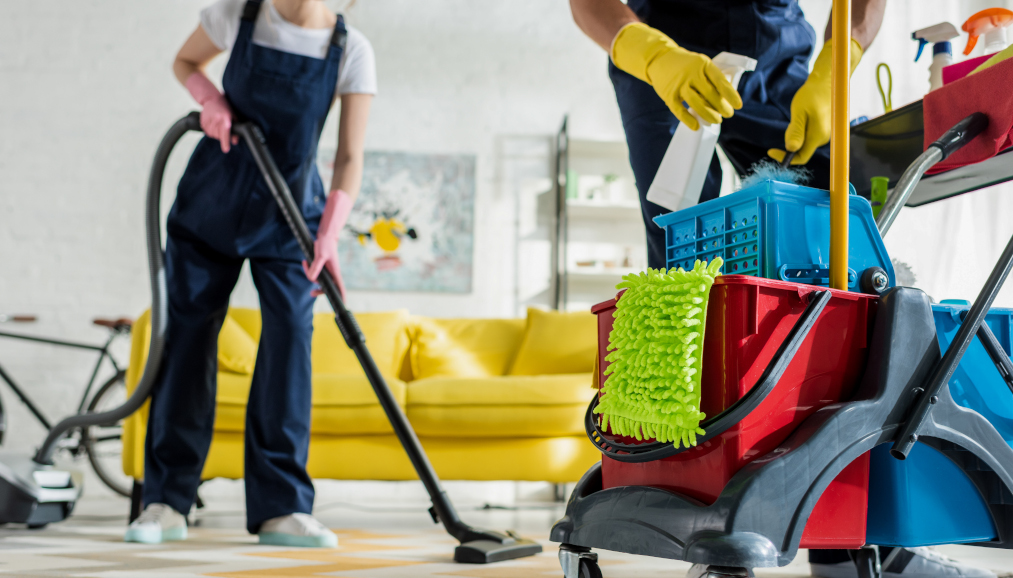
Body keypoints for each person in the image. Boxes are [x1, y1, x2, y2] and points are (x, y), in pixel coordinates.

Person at [568, 1, 997, 577]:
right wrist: (647, 53)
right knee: (684, 274)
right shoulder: (654, 55)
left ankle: (855, 539)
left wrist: (837, 61)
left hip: (781, 60)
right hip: (662, 59)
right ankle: (702, 510)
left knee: (833, 262)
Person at [124, 0, 375, 547]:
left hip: (289, 217)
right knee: (186, 342)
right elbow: (186, 62)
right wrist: (207, 98)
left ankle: (282, 508)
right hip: (210, 202)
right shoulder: (238, 14)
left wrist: (331, 229)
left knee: (290, 345)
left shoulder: (350, 49)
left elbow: (350, 157)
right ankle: (166, 501)